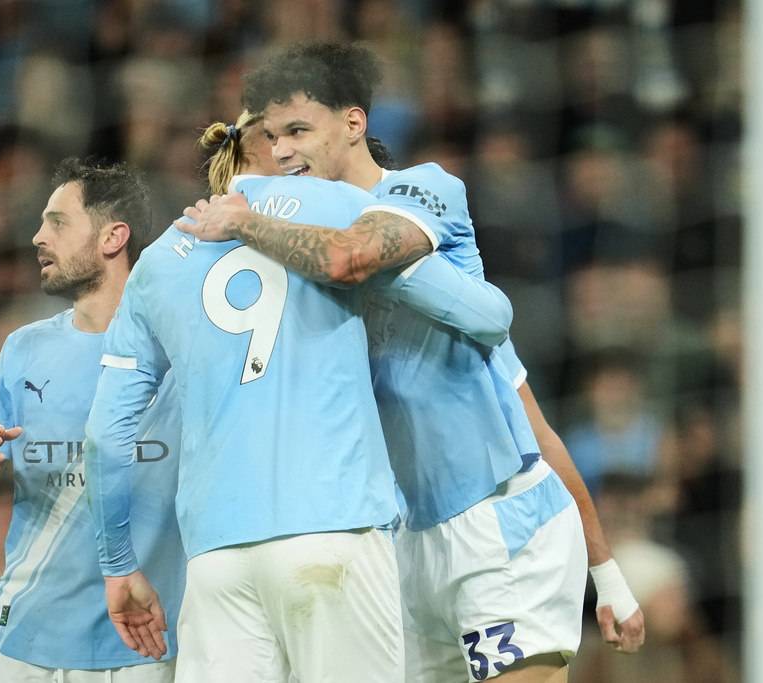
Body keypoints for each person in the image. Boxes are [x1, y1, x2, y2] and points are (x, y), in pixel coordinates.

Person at [175, 39, 643, 681]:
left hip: (494, 519)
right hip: (397, 539)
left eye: (298, 130)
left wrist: (606, 572)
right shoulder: (293, 267)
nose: (283, 151)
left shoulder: (422, 190)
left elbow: (529, 419)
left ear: (353, 123)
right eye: (271, 137)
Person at [84, 109, 517, 683]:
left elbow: (105, 439)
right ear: (275, 147)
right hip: (333, 531)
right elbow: (488, 315)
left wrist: (118, 566)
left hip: (215, 558)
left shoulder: (156, 263)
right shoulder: (337, 210)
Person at [0, 158, 185, 682]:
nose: (37, 237)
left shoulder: (179, 351)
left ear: (112, 237)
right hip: (29, 634)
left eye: (57, 222)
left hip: (143, 637)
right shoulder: (23, 348)